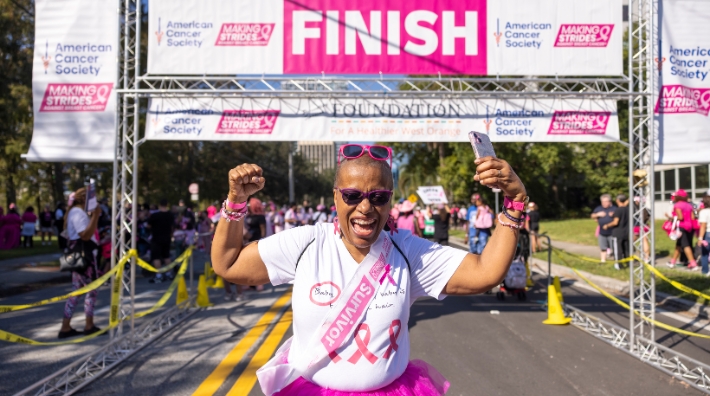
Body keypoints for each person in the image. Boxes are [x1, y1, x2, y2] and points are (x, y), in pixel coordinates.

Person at [211, 145, 527, 395]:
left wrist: (514, 201)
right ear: (335, 196)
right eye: (352, 195)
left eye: (378, 197)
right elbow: (229, 264)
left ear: (390, 201)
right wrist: (236, 201)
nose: (365, 207)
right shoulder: (307, 242)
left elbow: (485, 272)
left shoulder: (409, 251)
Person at [59, 188, 103, 338]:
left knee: (77, 291)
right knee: (91, 290)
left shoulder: (76, 212)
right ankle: (88, 325)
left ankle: (66, 326)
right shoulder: (77, 213)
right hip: (84, 256)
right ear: (84, 199)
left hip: (81, 254)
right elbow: (84, 235)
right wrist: (95, 216)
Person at [666, 189, 698, 269]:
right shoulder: (689, 205)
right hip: (690, 227)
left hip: (682, 227)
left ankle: (693, 264)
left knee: (685, 245)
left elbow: (680, 217)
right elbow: (693, 217)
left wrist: (671, 218)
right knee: (679, 245)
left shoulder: (677, 205)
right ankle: (672, 262)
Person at [147, 199, 175, 283]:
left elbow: (148, 226)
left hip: (156, 238)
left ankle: (158, 275)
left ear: (159, 205)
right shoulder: (170, 215)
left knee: (156, 257)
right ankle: (169, 273)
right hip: (167, 238)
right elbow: (172, 227)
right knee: (166, 256)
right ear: (167, 204)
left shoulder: (155, 215)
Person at [604, 194, 630, 270]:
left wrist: (607, 225)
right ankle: (628, 263)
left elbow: (616, 222)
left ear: (618, 201)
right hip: (626, 232)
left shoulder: (618, 210)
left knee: (617, 249)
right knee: (626, 249)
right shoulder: (628, 209)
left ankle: (618, 265)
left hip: (618, 232)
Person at [591, 194, 616, 263]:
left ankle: (616, 261)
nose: (604, 203)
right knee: (603, 247)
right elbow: (592, 215)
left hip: (612, 231)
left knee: (614, 247)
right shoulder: (599, 208)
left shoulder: (614, 208)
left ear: (609, 202)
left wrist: (614, 215)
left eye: (605, 202)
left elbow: (618, 219)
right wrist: (597, 215)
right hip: (602, 232)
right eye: (602, 202)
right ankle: (603, 261)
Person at [698, 191, 710, 276]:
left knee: (705, 254)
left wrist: (700, 238)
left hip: (708, 234)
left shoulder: (704, 212)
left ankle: (705, 271)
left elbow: (703, 226)